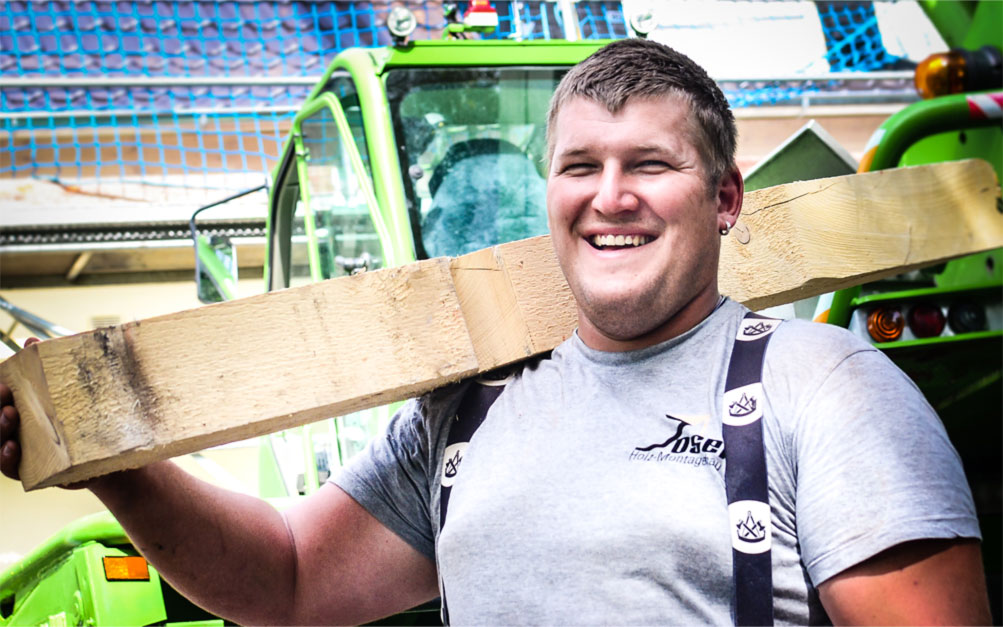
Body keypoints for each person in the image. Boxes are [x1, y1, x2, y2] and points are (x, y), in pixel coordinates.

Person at [0, 38, 991, 625]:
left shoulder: (825, 387)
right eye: (579, 167)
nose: (610, 199)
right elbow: (290, 580)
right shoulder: (468, 412)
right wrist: (115, 462)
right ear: (547, 196)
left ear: (726, 198)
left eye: (649, 164)